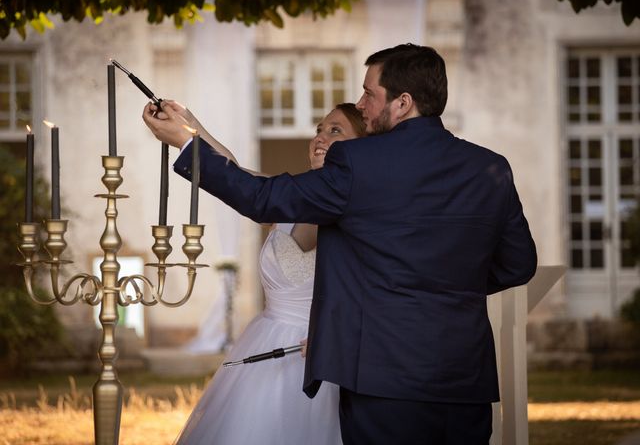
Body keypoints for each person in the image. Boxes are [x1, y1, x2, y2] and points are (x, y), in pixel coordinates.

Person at [143, 44, 538, 445]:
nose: (362, 104)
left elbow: (262, 198)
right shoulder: (490, 167)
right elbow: (518, 264)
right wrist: (449, 283)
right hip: (465, 379)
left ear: (403, 103)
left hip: (383, 378)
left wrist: (187, 147)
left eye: (369, 93)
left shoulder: (357, 161)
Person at [167, 103, 367, 444]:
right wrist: (190, 127)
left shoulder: (366, 211)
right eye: (319, 129)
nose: (320, 137)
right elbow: (234, 172)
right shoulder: (286, 199)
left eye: (336, 130)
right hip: (266, 343)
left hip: (324, 354)